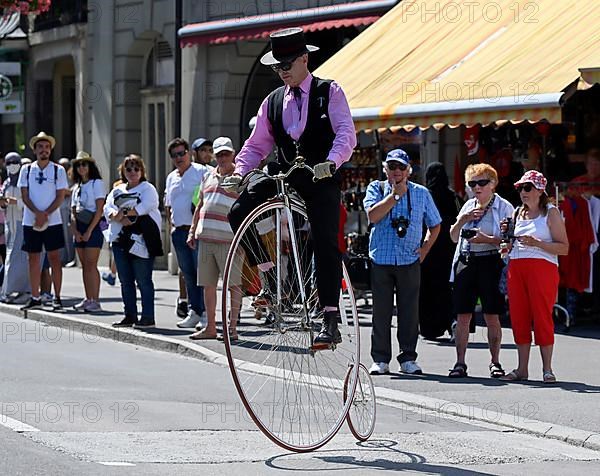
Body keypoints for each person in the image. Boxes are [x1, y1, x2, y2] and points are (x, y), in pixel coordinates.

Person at [226, 27, 357, 348]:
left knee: (326, 237)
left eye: (287, 64)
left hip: (319, 173)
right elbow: (256, 145)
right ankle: (270, 278)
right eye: (277, 67)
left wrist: (333, 160)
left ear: (304, 59)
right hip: (284, 172)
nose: (283, 72)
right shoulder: (271, 103)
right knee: (238, 211)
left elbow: (346, 133)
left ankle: (329, 317)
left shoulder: (330, 92)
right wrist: (240, 171)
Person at [364, 149, 441, 375]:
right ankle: (380, 359)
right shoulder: (376, 188)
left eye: (401, 167)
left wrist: (425, 248)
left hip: (409, 258)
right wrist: (395, 196)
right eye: (392, 167)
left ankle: (408, 358)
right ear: (385, 168)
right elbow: (373, 216)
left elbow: (435, 224)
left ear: (408, 170)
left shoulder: (421, 193)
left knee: (409, 312)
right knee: (381, 312)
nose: (396, 171)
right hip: (381, 258)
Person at [500, 170, 568, 383]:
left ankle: (547, 369)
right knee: (519, 316)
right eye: (521, 188)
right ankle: (522, 369)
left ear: (540, 190)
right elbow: (508, 243)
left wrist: (537, 243)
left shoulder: (551, 212)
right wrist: (506, 242)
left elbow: (564, 248)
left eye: (528, 188)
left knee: (542, 316)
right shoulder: (517, 212)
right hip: (517, 267)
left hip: (542, 269)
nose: (523, 192)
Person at [448, 164, 514, 378]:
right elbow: (453, 236)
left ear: (493, 184)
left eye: (482, 182)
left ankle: (495, 362)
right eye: (472, 183)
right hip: (467, 260)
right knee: (463, 314)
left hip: (491, 260)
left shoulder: (504, 207)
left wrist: (487, 239)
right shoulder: (468, 205)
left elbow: (510, 241)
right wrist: (463, 219)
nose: (477, 187)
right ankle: (460, 363)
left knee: (491, 315)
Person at [187, 137, 242, 340]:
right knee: (208, 285)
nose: (223, 158)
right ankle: (211, 327)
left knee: (233, 285)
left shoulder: (240, 176)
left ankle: (232, 328)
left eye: (226, 153)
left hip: (230, 239)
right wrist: (192, 230)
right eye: (219, 154)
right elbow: (200, 204)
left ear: (233, 153)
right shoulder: (208, 175)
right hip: (207, 238)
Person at [104, 155, 163, 328]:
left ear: (142, 171)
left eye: (136, 168)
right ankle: (129, 315)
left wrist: (126, 214)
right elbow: (108, 208)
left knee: (143, 280)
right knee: (125, 280)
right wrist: (116, 216)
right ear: (123, 171)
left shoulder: (148, 188)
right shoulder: (117, 190)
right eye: (128, 168)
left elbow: (148, 206)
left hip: (141, 240)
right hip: (120, 240)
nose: (132, 172)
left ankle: (148, 317)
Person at [19, 132, 68, 311]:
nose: (44, 150)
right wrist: (36, 213)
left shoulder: (58, 170)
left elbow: (60, 195)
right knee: (33, 258)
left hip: (52, 220)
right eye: (40, 147)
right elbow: (24, 194)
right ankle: (35, 295)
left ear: (50, 150)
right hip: (30, 220)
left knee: (54, 258)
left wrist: (46, 213)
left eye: (47, 147)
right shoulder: (27, 170)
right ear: (35, 150)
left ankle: (57, 296)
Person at [164, 137, 209, 328]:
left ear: (189, 153)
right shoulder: (171, 177)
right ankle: (194, 311)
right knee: (187, 274)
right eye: (175, 155)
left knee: (203, 273)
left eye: (182, 153)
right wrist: (171, 226)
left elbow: (208, 198)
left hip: (198, 231)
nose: (179, 158)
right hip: (179, 230)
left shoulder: (202, 171)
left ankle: (206, 313)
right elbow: (168, 204)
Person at [419, 162, 463, 340]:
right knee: (447, 288)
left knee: (428, 289)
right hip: (449, 249)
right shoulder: (452, 196)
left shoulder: (425, 196)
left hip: (429, 249)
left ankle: (430, 328)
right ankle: (451, 322)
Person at [70, 151, 106, 312]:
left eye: (84, 164)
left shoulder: (97, 183)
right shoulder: (76, 187)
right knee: (84, 265)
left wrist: (90, 230)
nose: (81, 167)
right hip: (79, 226)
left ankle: (96, 300)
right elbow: (72, 211)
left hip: (93, 225)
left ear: (90, 166)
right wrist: (75, 231)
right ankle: (88, 297)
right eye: (78, 165)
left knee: (92, 264)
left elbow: (99, 209)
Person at [0, 153, 31, 302]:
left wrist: (16, 202)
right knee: (10, 258)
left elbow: (29, 202)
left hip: (21, 223)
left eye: (15, 162)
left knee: (20, 259)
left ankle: (24, 290)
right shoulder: (6, 183)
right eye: (9, 162)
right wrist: (3, 203)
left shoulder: (25, 182)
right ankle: (9, 290)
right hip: (9, 225)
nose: (12, 165)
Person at [58, 157, 76, 266]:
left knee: (69, 234)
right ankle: (63, 257)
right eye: (62, 165)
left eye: (66, 165)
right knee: (61, 235)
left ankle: (71, 257)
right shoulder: (57, 176)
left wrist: (67, 191)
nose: (64, 168)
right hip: (59, 208)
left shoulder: (72, 177)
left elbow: (72, 190)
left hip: (69, 208)